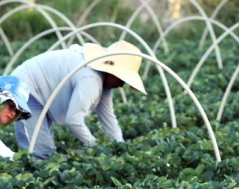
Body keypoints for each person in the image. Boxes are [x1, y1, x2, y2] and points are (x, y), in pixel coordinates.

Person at [10, 40, 146, 159]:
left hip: (42, 92)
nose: (122, 85)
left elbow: (108, 117)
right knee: (39, 152)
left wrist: (119, 146)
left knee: (44, 151)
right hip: (25, 87)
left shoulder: (103, 81)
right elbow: (73, 120)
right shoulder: (91, 79)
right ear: (111, 71)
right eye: (122, 79)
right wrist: (93, 145)